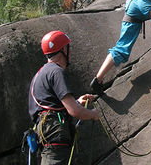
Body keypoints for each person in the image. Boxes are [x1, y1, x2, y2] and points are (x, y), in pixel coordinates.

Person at [29, 30, 100, 165]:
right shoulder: (57, 72)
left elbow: (50, 103)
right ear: (63, 50)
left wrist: (77, 101)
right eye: (68, 47)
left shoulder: (41, 73)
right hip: (55, 131)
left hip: (45, 131)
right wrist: (93, 114)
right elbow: (75, 112)